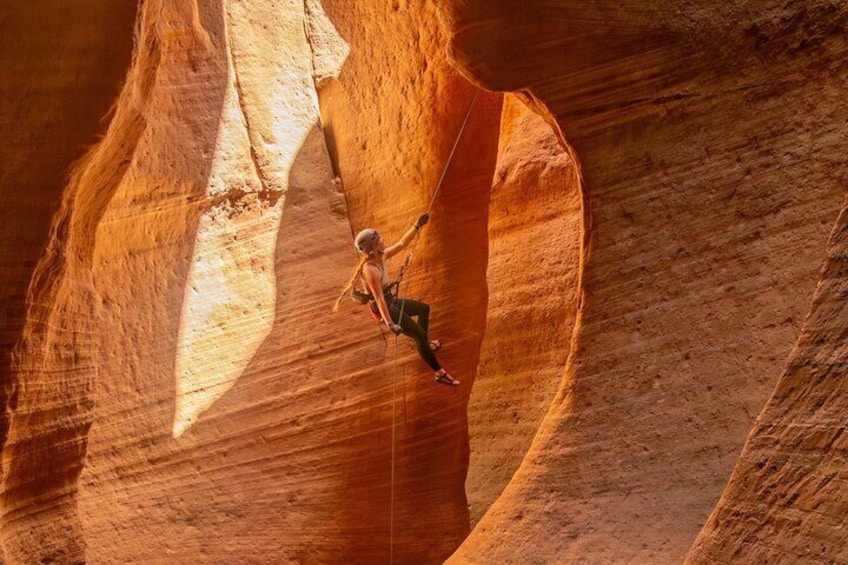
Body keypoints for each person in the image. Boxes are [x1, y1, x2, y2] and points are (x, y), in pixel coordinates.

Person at [333, 213, 459, 386]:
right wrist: (390, 323)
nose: (383, 240)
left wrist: (417, 225)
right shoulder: (370, 270)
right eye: (380, 239)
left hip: (390, 300)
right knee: (418, 334)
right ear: (374, 246)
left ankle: (426, 345)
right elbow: (378, 299)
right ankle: (439, 373)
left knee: (423, 309)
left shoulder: (381, 255)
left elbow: (401, 244)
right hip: (385, 307)